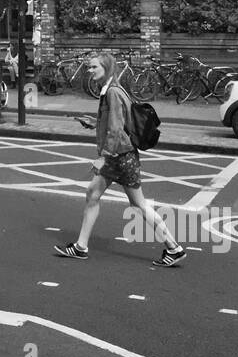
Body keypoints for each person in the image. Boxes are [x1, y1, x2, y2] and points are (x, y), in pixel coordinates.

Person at [54, 51, 186, 267]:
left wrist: (102, 159)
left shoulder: (113, 92)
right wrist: (95, 123)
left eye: (94, 67)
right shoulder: (112, 89)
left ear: (107, 68)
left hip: (119, 157)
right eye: (89, 67)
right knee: (99, 196)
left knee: (133, 203)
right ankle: (81, 246)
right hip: (122, 155)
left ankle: (174, 248)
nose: (90, 71)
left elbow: (116, 131)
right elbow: (116, 123)